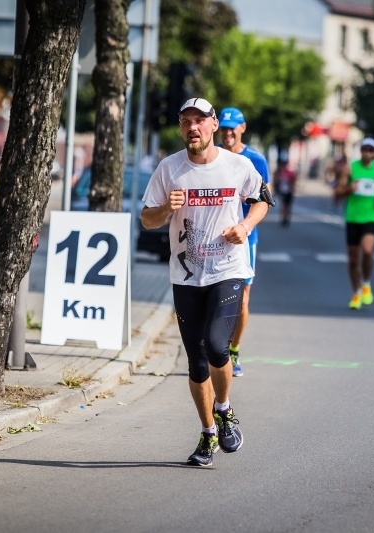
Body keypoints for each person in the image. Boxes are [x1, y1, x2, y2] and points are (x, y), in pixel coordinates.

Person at [140, 97, 269, 466]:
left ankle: (225, 407)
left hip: (227, 269)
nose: (192, 127)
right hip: (185, 276)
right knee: (196, 364)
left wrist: (244, 226)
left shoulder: (238, 166)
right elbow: (146, 219)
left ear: (213, 125)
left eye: (199, 121)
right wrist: (167, 209)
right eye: (185, 121)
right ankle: (209, 433)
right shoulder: (169, 169)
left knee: (216, 346)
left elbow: (262, 200)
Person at [217, 106, 270, 378]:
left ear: (242, 128)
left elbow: (265, 199)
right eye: (223, 127)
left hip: (245, 238)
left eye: (232, 127)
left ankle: (233, 349)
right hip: (214, 237)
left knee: (241, 299)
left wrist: (245, 225)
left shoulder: (255, 160)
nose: (227, 132)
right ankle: (215, 349)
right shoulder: (212, 156)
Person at [334, 137, 374, 309]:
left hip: (371, 216)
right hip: (352, 217)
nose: (367, 153)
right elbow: (338, 192)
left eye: (371, 150)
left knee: (367, 251)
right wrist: (349, 189)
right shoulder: (350, 169)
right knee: (353, 259)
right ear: (361, 151)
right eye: (365, 149)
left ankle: (366, 283)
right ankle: (356, 293)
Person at [275, 159, 297, 226]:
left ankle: (286, 218)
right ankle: (284, 218)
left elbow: (294, 180)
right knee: (284, 205)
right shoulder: (281, 172)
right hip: (283, 191)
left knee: (287, 206)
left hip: (289, 191)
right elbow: (277, 181)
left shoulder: (290, 172)